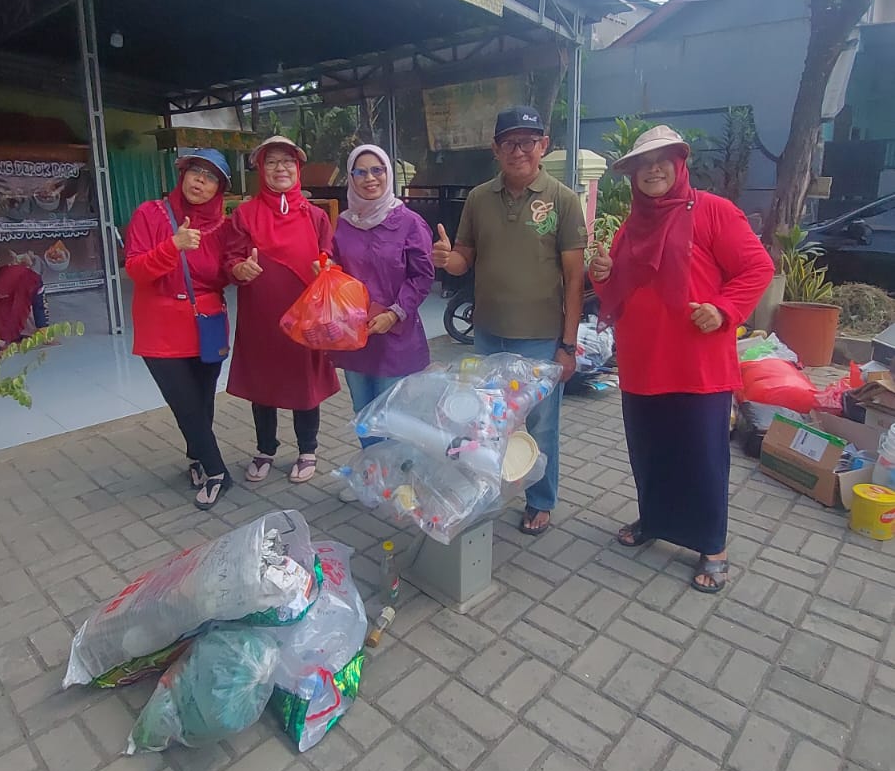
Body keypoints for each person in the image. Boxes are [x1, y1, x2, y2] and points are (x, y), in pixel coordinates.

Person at [590, 124, 774, 593]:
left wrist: (724, 309)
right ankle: (655, 519)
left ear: (679, 164)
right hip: (642, 361)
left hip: (697, 363)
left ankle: (713, 546)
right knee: (650, 451)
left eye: (662, 161)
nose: (653, 170)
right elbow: (618, 294)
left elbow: (758, 267)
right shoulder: (632, 226)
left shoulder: (713, 211)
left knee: (702, 457)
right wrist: (603, 274)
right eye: (643, 165)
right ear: (633, 174)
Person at [432, 106, 587, 537]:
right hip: (487, 336)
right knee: (487, 422)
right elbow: (463, 259)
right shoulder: (479, 198)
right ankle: (486, 490)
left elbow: (575, 280)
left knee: (541, 425)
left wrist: (568, 346)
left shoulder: (563, 200)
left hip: (540, 339)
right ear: (496, 149)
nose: (518, 150)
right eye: (509, 142)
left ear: (543, 146)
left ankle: (540, 500)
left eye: (527, 142)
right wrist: (447, 259)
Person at [225, 134, 338, 483]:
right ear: (261, 169)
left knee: (306, 384)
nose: (280, 168)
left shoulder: (315, 216)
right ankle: (265, 449)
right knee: (263, 384)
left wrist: (326, 268)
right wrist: (239, 269)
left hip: (305, 315)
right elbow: (231, 257)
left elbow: (329, 255)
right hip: (260, 315)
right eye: (272, 162)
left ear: (298, 168)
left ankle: (308, 450)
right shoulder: (244, 214)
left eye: (288, 161)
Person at [124, 149, 233, 510]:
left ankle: (197, 458)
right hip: (160, 327)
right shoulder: (150, 213)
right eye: (195, 171)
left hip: (207, 323)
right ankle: (218, 472)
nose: (200, 180)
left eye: (211, 177)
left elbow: (222, 275)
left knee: (202, 401)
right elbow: (136, 270)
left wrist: (240, 271)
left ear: (219, 189)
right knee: (184, 403)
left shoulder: (222, 227)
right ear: (182, 174)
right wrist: (173, 246)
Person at [331, 143, 435, 440]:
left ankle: (398, 472)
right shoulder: (343, 225)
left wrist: (394, 313)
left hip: (396, 337)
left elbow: (422, 276)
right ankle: (374, 470)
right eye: (360, 172)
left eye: (377, 170)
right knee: (364, 416)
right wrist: (325, 270)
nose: (370, 178)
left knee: (394, 420)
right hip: (356, 336)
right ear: (351, 177)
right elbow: (335, 267)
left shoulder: (409, 223)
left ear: (388, 173)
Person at [0, 262, 49, 350]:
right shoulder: (3, 281)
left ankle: (44, 333)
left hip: (25, 284)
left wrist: (3, 340)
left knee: (16, 313)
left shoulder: (28, 286)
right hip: (8, 280)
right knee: (2, 312)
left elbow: (17, 314)